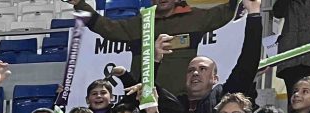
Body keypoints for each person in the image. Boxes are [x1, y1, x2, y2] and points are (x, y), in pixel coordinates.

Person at [66, 0, 242, 94]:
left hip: (180, 100)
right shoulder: (140, 23)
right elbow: (106, 28)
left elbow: (227, 12)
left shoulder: (195, 18)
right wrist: (80, 4)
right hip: (143, 98)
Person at [165, 1, 262, 113]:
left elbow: (248, 62)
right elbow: (147, 97)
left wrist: (253, 14)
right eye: (191, 70)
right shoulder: (175, 104)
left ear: (215, 78)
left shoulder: (223, 98)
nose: (195, 73)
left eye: (202, 69)